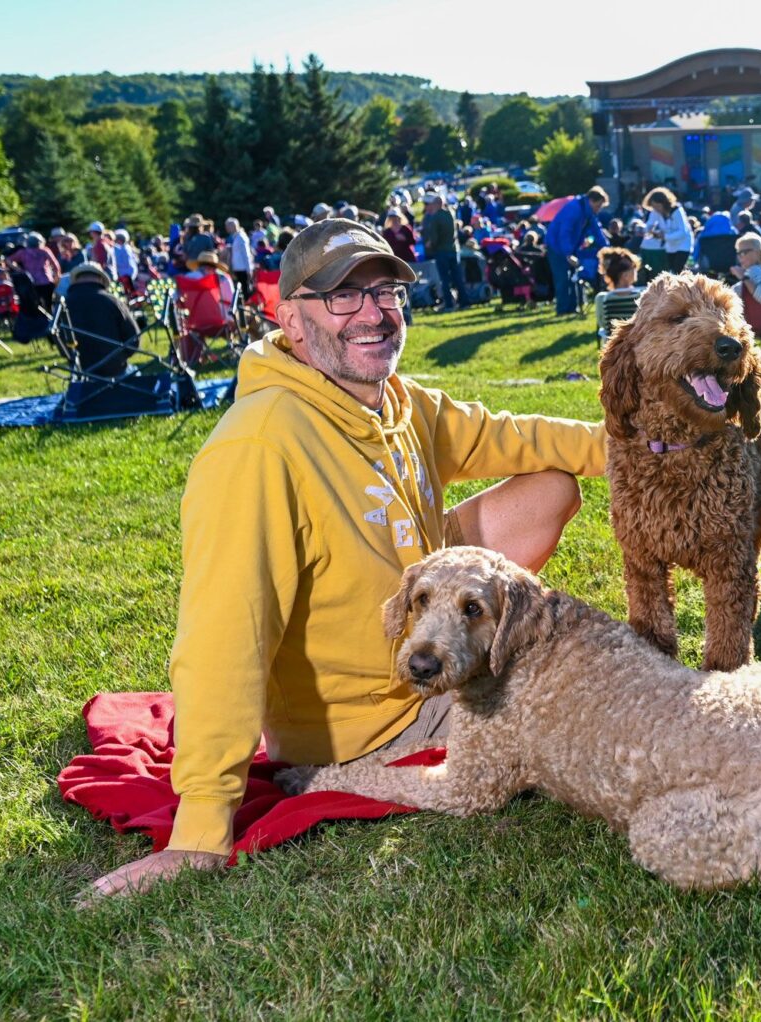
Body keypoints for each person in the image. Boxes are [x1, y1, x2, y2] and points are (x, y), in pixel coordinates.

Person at [83, 219, 608, 901]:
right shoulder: (258, 447)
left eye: (386, 291)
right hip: (363, 718)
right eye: (342, 297)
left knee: (549, 485)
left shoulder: (397, 402)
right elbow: (224, 636)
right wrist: (201, 829)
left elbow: (515, 435)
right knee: (589, 713)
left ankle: (469, 661)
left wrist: (646, 448)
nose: (373, 312)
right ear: (292, 320)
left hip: (417, 635)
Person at [61, 262, 139, 377]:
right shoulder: (112, 301)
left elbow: (60, 342)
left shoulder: (63, 305)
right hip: (115, 370)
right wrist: (119, 357)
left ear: (76, 280)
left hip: (81, 372)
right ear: (100, 279)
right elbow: (133, 338)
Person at [544, 186, 610, 315]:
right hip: (557, 247)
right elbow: (565, 232)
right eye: (598, 206)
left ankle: (572, 308)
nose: (599, 209)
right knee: (562, 278)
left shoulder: (588, 212)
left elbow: (597, 230)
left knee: (574, 278)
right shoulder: (574, 208)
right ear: (591, 200)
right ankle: (562, 310)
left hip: (569, 247)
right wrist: (568, 253)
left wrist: (607, 249)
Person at [730, 233, 761, 343]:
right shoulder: (759, 270)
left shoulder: (755, 270)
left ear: (757, 253)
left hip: (753, 323)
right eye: (738, 253)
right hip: (757, 322)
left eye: (744, 252)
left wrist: (743, 277)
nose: (740, 256)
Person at [421, 193, 462, 312]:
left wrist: (429, 244)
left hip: (442, 251)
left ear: (436, 204)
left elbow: (434, 237)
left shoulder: (436, 217)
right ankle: (464, 302)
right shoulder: (450, 213)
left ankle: (449, 304)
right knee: (457, 278)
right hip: (454, 250)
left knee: (444, 280)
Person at [593, 246, 642, 337]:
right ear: (625, 275)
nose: (636, 270)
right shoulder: (640, 296)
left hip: (613, 345)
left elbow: (603, 324)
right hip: (636, 344)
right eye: (633, 267)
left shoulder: (602, 298)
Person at [643, 186, 694, 273]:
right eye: (654, 207)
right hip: (670, 246)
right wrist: (649, 229)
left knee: (678, 270)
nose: (656, 209)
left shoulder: (677, 210)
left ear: (664, 203)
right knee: (671, 271)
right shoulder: (656, 211)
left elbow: (683, 232)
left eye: (658, 206)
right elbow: (649, 224)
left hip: (683, 244)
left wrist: (665, 236)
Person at [7, 232, 61, 313]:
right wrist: (56, 279)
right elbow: (56, 266)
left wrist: (19, 270)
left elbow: (8, 260)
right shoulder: (45, 251)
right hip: (46, 281)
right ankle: (51, 322)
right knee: (49, 305)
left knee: (36, 306)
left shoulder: (23, 252)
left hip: (31, 282)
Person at [224, 217, 255, 299]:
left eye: (228, 226)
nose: (227, 229)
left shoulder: (241, 237)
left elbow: (246, 254)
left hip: (242, 269)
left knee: (245, 289)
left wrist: (249, 270)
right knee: (241, 289)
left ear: (233, 226)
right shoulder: (237, 237)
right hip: (239, 268)